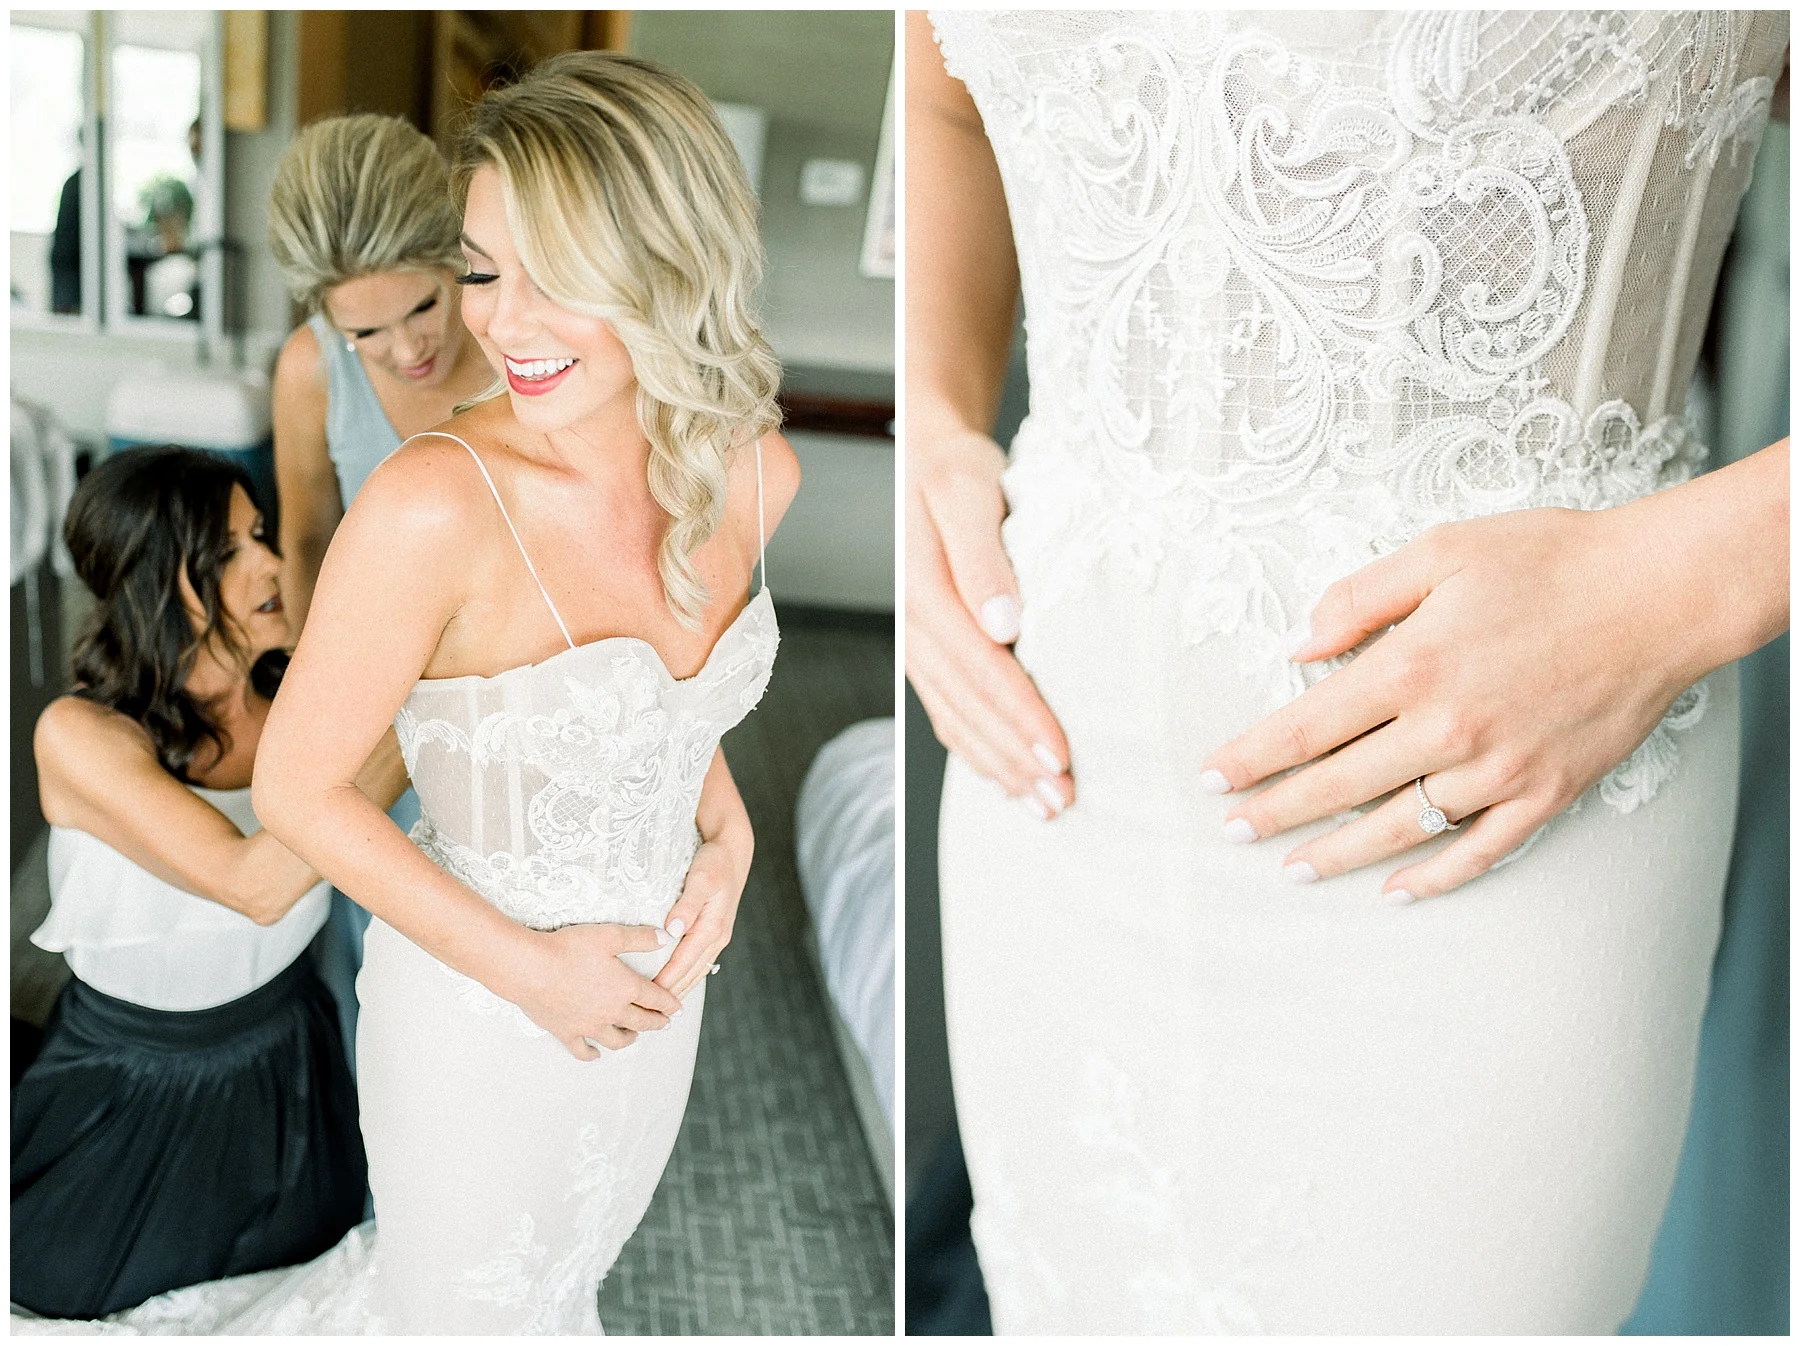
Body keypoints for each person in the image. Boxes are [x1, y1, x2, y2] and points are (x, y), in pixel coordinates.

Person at [908, 10, 1788, 1334]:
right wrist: (931, 421)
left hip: (1494, 842)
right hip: (1048, 806)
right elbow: (949, 103)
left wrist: (1670, 583)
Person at [11, 51, 800, 1335]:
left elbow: (661, 697)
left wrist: (731, 832)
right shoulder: (432, 495)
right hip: (481, 1003)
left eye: (553, 276)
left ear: (670, 261)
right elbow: (299, 765)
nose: (497, 326)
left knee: (562, 1283)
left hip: (656, 1003)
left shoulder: (756, 470)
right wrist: (525, 961)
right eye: (486, 271)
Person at [12, 447, 406, 1320]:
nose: (271, 561)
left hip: (287, 1050)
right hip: (133, 1082)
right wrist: (419, 709)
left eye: (260, 533)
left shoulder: (300, 691)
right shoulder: (79, 736)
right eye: (231, 550)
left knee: (296, 1283)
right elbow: (254, 885)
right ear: (161, 581)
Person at [265, 114, 496, 1060]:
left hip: (506, 689)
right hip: (378, 695)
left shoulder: (522, 340)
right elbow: (306, 537)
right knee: (379, 946)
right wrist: (317, 702)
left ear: (458, 259)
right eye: (365, 330)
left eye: (424, 307)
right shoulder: (310, 370)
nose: (407, 350)